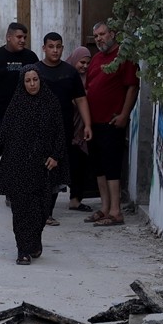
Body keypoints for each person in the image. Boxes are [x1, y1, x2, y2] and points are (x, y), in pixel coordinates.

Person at [0, 66, 68, 265]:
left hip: (42, 168)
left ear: (40, 80)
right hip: (16, 165)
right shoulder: (16, 105)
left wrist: (55, 156)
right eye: (27, 81)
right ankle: (23, 250)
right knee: (20, 211)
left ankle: (35, 241)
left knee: (41, 210)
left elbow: (59, 133)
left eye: (35, 80)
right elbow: (2, 134)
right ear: (22, 83)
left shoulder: (50, 103)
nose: (32, 84)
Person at [84, 21, 139, 227]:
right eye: (96, 35)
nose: (99, 38)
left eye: (103, 34)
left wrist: (125, 114)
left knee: (112, 167)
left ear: (112, 33)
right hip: (94, 122)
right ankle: (105, 208)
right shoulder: (97, 59)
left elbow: (132, 87)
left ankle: (116, 211)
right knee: (99, 168)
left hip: (112, 121)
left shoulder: (124, 58)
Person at [34, 33, 92, 226]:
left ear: (62, 48)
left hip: (62, 131)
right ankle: (35, 209)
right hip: (37, 130)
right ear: (44, 48)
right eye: (51, 46)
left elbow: (81, 99)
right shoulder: (35, 72)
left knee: (55, 171)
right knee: (37, 170)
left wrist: (87, 124)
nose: (55, 50)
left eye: (58, 46)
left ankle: (47, 212)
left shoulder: (70, 73)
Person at [0, 23, 38, 204]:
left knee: (17, 153)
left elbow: (37, 83)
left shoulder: (30, 57)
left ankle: (12, 188)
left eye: (24, 38)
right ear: (8, 37)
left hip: (22, 116)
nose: (22, 40)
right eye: (19, 37)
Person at [65, 45, 95, 212]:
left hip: (82, 129)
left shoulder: (89, 78)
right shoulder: (65, 74)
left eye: (87, 63)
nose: (84, 66)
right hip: (66, 127)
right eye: (81, 62)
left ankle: (75, 199)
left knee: (79, 164)